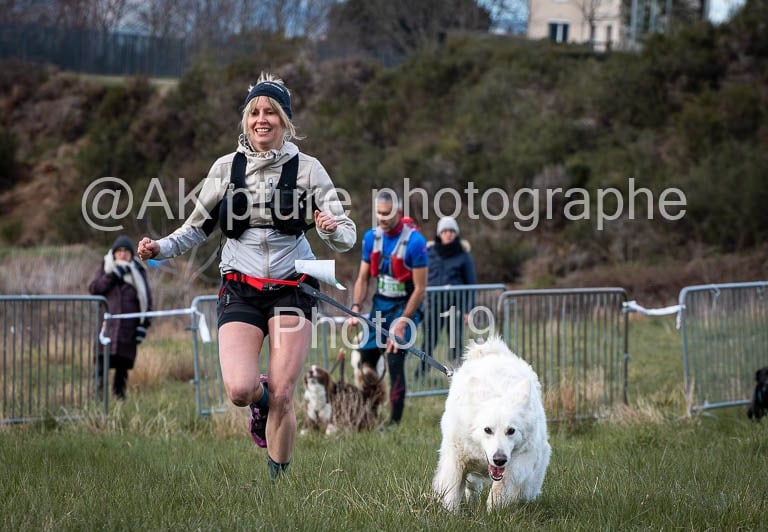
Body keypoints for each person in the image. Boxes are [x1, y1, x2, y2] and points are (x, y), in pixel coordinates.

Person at [136, 72, 356, 479]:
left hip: (293, 288)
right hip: (240, 287)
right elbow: (196, 229)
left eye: (270, 112)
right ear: (246, 120)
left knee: (285, 394)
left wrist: (330, 229)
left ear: (284, 120)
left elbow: (347, 234)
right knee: (240, 390)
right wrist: (159, 249)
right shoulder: (225, 169)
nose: (261, 119)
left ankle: (278, 485)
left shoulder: (309, 170)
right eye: (254, 112)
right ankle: (261, 401)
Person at [348, 190, 428, 425]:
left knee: (395, 360)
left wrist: (403, 322)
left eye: (387, 213)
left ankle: (394, 423)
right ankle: (369, 415)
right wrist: (355, 307)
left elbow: (420, 289)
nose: (382, 218)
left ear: (398, 212)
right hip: (380, 305)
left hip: (406, 307)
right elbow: (363, 278)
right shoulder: (371, 238)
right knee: (366, 359)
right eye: (379, 213)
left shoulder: (415, 242)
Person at [89, 235, 153, 400]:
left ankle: (119, 401)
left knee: (122, 368)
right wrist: (114, 275)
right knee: (101, 365)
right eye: (119, 251)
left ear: (131, 254)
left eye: (126, 251)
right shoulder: (106, 267)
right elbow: (94, 288)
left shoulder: (138, 270)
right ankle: (97, 400)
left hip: (128, 328)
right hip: (106, 328)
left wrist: (143, 325)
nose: (122, 254)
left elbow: (147, 299)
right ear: (114, 253)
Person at [416, 216, 476, 377]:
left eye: (451, 231)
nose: (448, 234)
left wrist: (468, 310)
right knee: (429, 340)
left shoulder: (463, 256)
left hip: (456, 305)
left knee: (455, 342)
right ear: (439, 234)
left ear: (456, 233)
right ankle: (421, 375)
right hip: (433, 304)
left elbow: (471, 284)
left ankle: (457, 375)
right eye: (444, 231)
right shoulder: (429, 253)